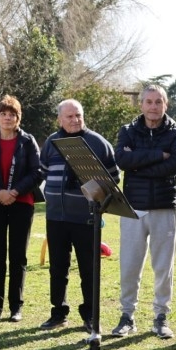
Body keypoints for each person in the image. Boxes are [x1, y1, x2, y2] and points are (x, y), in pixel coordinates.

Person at [110, 84, 176, 339]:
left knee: (163, 267)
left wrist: (140, 164)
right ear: (141, 104)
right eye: (149, 102)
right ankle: (127, 315)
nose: (154, 106)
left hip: (165, 208)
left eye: (158, 101)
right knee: (129, 265)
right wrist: (159, 155)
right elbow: (123, 160)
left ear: (166, 104)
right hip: (134, 208)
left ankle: (160, 317)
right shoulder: (128, 131)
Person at [39, 99, 119, 332]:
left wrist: (92, 191)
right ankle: (58, 313)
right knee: (57, 268)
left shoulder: (98, 143)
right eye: (69, 116)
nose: (75, 120)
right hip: (56, 217)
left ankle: (91, 315)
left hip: (86, 218)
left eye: (78, 115)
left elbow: (113, 178)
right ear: (59, 119)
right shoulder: (51, 142)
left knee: (89, 269)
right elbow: (43, 172)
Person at [0, 95, 42, 323]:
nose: (7, 118)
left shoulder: (28, 141)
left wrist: (15, 191)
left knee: (18, 256)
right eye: (3, 114)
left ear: (18, 118)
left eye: (12, 114)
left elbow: (37, 172)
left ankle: (16, 307)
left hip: (22, 203)